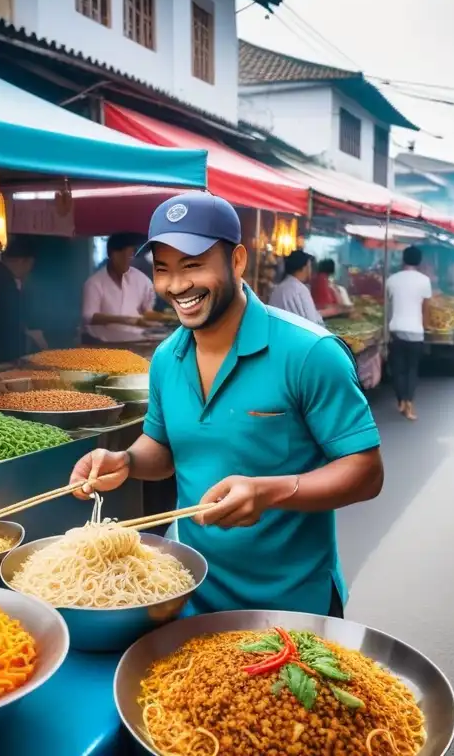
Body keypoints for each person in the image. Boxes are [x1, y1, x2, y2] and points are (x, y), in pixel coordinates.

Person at [68, 191, 384, 617]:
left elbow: (366, 473)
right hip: (189, 593)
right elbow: (162, 450)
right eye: (163, 269)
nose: (176, 286)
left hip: (293, 601)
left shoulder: (310, 352)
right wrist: (124, 460)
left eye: (193, 265)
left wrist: (270, 491)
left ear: (237, 261)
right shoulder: (166, 358)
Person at [82, 233, 164, 342]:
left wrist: (165, 317)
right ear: (111, 254)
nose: (127, 260)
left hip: (137, 341)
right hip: (104, 344)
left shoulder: (142, 280)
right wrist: (127, 320)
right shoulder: (94, 283)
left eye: (130, 255)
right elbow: (89, 317)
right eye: (122, 256)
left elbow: (147, 311)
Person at [385, 245, 432, 421]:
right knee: (412, 368)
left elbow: (389, 304)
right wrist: (425, 327)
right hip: (415, 331)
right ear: (419, 262)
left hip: (396, 328)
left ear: (403, 259)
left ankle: (401, 401)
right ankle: (409, 402)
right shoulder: (424, 281)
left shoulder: (392, 279)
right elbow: (426, 308)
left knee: (398, 369)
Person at [268, 249, 324, 325]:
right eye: (310, 266)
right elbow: (312, 323)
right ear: (304, 268)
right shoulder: (300, 290)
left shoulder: (278, 289)